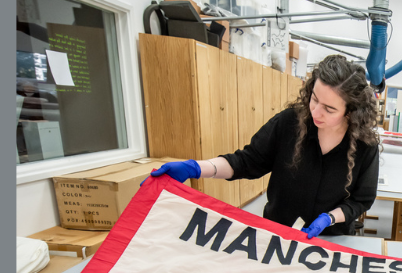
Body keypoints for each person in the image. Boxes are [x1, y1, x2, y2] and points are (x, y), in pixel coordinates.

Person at [146, 54, 381, 239]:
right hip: (277, 235)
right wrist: (196, 167)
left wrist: (329, 219)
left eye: (329, 109)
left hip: (331, 241)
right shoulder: (289, 123)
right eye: (315, 99)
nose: (316, 112)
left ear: (351, 112)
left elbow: (361, 200)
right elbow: (246, 162)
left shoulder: (365, 146)